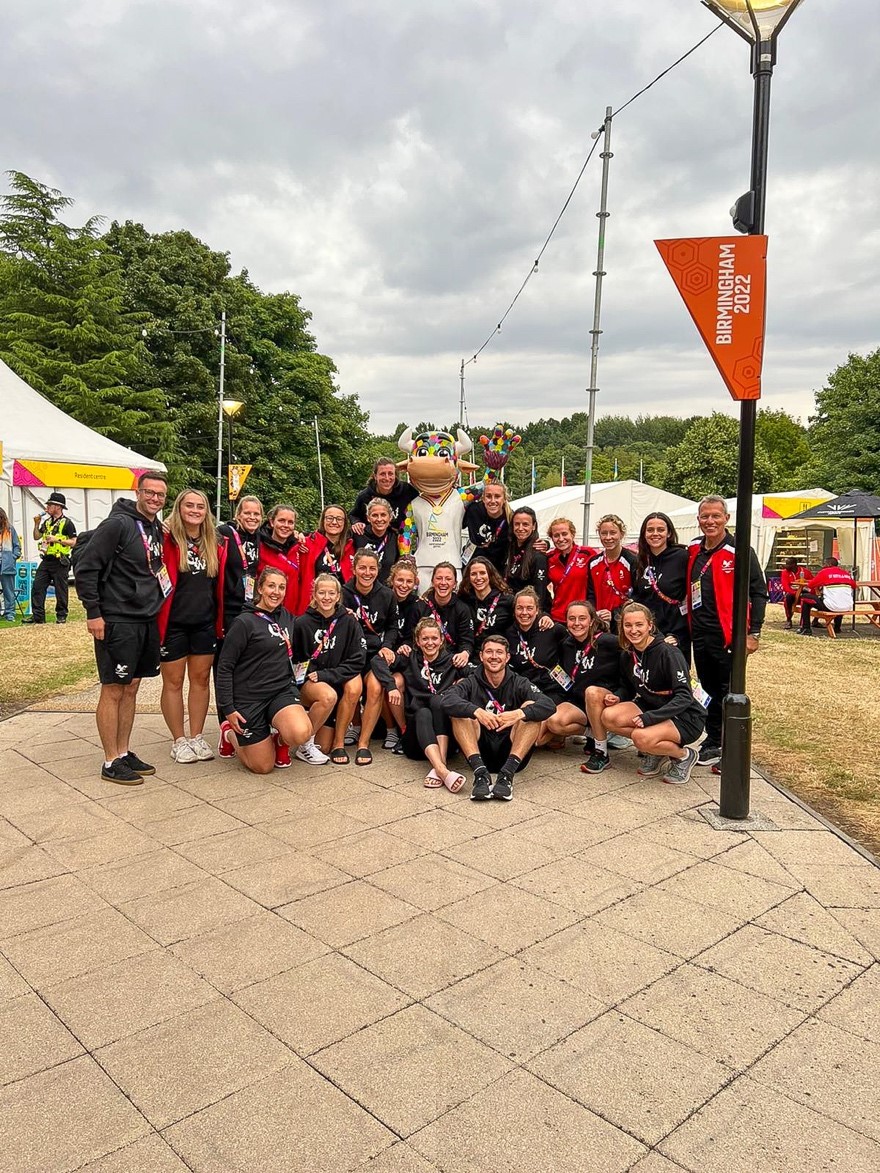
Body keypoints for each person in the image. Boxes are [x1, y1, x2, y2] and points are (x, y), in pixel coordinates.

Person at [74, 472, 169, 785]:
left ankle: (124, 751)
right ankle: (110, 759)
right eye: (150, 493)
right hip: (117, 618)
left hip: (145, 618)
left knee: (132, 686)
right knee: (113, 688)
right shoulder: (118, 524)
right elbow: (88, 566)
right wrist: (93, 613)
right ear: (138, 492)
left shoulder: (154, 526)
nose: (155, 499)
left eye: (160, 495)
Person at [585, 602, 706, 785]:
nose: (633, 630)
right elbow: (628, 687)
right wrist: (618, 696)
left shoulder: (668, 653)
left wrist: (651, 718)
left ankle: (684, 755)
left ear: (650, 625)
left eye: (639, 625)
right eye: (628, 625)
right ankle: (656, 750)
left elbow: (684, 696)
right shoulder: (628, 654)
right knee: (608, 716)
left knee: (640, 737)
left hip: (684, 715)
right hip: (653, 706)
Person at [687, 495, 767, 767]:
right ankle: (713, 740)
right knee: (708, 688)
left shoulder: (739, 550)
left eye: (715, 516)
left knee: (730, 689)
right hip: (700, 632)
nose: (710, 521)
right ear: (698, 520)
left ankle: (731, 749)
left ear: (726, 519)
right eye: (705, 516)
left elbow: (758, 592)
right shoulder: (695, 549)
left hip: (729, 635)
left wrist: (753, 632)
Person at [216, 568, 312, 773]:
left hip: (280, 692)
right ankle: (229, 734)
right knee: (263, 767)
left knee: (301, 732)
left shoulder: (286, 616)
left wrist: (341, 613)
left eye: (281, 587)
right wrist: (228, 709)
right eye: (271, 586)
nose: (276, 592)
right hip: (249, 698)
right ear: (260, 588)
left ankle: (279, 741)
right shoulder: (244, 622)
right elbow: (224, 667)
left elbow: (310, 623)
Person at [158, 489, 228, 764]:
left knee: (199, 682)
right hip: (173, 622)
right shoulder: (167, 538)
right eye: (189, 505)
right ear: (179, 507)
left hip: (204, 622)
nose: (195, 510)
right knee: (173, 682)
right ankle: (179, 739)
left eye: (200, 506)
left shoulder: (214, 541)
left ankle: (197, 736)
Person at [441, 635, 555, 801]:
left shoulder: (519, 682)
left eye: (499, 652)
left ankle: (506, 777)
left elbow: (549, 705)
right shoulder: (471, 681)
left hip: (512, 753)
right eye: (489, 652)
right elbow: (446, 700)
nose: (494, 656)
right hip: (480, 752)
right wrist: (477, 711)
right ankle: (480, 775)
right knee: (460, 712)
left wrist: (518, 714)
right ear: (481, 656)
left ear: (507, 657)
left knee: (530, 707)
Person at [371, 617, 464, 791]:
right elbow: (377, 661)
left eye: (434, 638)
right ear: (417, 641)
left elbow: (478, 674)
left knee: (438, 701)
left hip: (446, 738)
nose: (430, 643)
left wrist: (462, 684)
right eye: (425, 639)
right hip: (415, 741)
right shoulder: (409, 658)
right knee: (423, 713)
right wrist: (391, 686)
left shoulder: (452, 661)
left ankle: (439, 766)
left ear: (442, 639)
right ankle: (443, 771)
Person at [292, 573, 365, 765]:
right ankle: (304, 744)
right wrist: (313, 676)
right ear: (314, 595)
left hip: (333, 679)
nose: (326, 597)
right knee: (328, 696)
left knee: (324, 746)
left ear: (338, 595)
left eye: (331, 593)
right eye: (322, 592)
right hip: (312, 684)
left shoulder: (348, 621)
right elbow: (295, 661)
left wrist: (329, 674)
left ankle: (313, 726)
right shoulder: (301, 623)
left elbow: (358, 659)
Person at [342, 549, 399, 764]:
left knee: (375, 687)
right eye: (362, 568)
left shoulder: (386, 594)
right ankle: (355, 726)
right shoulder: (343, 592)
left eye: (372, 568)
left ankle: (363, 743)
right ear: (354, 568)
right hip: (350, 653)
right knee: (352, 687)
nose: (367, 572)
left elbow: (393, 626)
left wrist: (387, 646)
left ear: (378, 570)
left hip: (375, 653)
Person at [216, 495, 264, 720]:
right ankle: (224, 721)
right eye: (248, 513)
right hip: (227, 610)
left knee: (246, 667)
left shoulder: (259, 537)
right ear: (238, 514)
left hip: (250, 609)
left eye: (256, 514)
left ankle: (245, 717)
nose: (252, 517)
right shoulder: (225, 533)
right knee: (225, 666)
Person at [557, 600, 620, 749]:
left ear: (592, 621)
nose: (577, 623)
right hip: (579, 703)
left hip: (603, 700)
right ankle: (593, 733)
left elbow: (635, 644)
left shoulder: (608, 642)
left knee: (591, 691)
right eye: (572, 619)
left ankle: (600, 748)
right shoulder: (566, 644)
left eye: (582, 618)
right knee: (555, 722)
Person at [632, 512, 691, 662]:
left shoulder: (682, 557)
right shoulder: (640, 560)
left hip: (674, 634)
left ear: (669, 532)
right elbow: (638, 596)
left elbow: (689, 598)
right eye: (650, 530)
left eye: (661, 529)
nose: (655, 534)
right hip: (645, 635)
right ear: (644, 534)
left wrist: (678, 635)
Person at [381, 557, 421, 751]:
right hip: (382, 653)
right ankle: (393, 729)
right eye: (400, 580)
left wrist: (407, 644)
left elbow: (415, 634)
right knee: (381, 683)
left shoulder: (417, 605)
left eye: (408, 581)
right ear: (392, 580)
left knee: (398, 682)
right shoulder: (383, 598)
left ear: (415, 584)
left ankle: (403, 728)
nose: (404, 585)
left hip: (405, 658)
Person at [25, 491, 77, 624]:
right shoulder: (47, 522)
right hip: (46, 559)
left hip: (60, 560)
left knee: (61, 589)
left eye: (50, 505)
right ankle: (38, 617)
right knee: (37, 587)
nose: (47, 507)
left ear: (58, 507)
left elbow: (74, 541)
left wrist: (57, 539)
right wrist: (36, 524)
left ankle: (61, 615)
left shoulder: (67, 523)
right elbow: (36, 536)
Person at [413, 562, 474, 670]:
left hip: (451, 661)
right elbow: (411, 638)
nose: (443, 583)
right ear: (432, 582)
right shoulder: (420, 606)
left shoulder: (462, 609)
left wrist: (465, 653)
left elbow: (466, 640)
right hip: (423, 660)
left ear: (455, 583)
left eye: (448, 579)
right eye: (439, 578)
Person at [297, 504, 355, 611]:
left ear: (345, 523)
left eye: (339, 519)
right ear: (323, 521)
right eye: (329, 518)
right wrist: (295, 535)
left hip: (342, 608)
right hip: (313, 607)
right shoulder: (307, 544)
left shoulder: (352, 546)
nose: (334, 522)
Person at [587, 514, 637, 633]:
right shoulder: (593, 562)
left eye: (613, 533)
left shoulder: (632, 560)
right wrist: (594, 613)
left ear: (621, 534)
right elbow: (590, 594)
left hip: (624, 624)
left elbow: (638, 595)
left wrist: (615, 614)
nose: (608, 537)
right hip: (599, 624)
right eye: (604, 533)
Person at [458, 556, 513, 657]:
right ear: (468, 578)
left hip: (498, 655)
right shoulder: (463, 601)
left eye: (482, 573)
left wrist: (544, 616)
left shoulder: (507, 600)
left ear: (490, 575)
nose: (478, 578)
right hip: (471, 655)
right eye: (473, 574)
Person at [350, 457, 418, 534]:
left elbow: (423, 500)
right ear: (375, 476)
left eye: (390, 473)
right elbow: (353, 515)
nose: (387, 478)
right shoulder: (365, 496)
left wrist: (413, 466)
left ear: (395, 475)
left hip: (402, 538)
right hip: (375, 539)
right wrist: (356, 522)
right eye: (382, 474)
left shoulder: (406, 490)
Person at [546, 518, 595, 623]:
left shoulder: (587, 554)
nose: (561, 538)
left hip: (582, 615)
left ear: (572, 534)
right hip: (558, 616)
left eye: (564, 534)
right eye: (556, 535)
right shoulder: (549, 558)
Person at [257, 504, 302, 613]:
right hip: (264, 613)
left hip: (289, 615)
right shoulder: (259, 546)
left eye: (290, 522)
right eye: (281, 520)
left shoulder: (299, 547)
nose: (286, 525)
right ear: (272, 522)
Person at [504, 506, 550, 610]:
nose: (520, 528)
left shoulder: (538, 555)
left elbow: (540, 592)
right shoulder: (510, 548)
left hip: (529, 612)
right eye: (517, 524)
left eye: (525, 524)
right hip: (513, 607)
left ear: (533, 526)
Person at [797, 557, 856, 636]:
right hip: (847, 606)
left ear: (829, 564)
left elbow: (811, 585)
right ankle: (837, 628)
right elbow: (854, 586)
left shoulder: (824, 572)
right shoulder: (845, 573)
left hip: (831, 606)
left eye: (824, 564)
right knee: (839, 597)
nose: (823, 566)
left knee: (805, 597)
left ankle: (806, 628)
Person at [463, 481, 510, 573]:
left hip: (496, 570)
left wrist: (545, 544)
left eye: (497, 496)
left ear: (504, 499)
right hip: (471, 566)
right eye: (488, 496)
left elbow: (526, 538)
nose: (492, 501)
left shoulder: (510, 519)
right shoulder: (474, 511)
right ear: (483, 499)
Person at [351, 497, 399, 583]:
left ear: (390, 517)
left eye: (383, 515)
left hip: (385, 591)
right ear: (368, 518)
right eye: (375, 515)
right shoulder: (357, 533)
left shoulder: (395, 538)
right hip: (360, 589)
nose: (379, 519)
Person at [780, 556, 814, 630]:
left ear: (794, 564)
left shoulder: (805, 571)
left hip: (804, 591)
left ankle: (808, 622)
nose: (786, 566)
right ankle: (789, 619)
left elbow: (812, 582)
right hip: (792, 592)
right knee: (788, 598)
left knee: (810, 599)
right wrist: (795, 593)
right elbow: (785, 586)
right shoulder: (785, 572)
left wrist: (806, 582)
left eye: (788, 564)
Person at [0, 508, 21, 623]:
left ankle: (10, 613)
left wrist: (13, 557)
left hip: (7, 565)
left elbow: (17, 546)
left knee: (8, 591)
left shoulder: (10, 529)